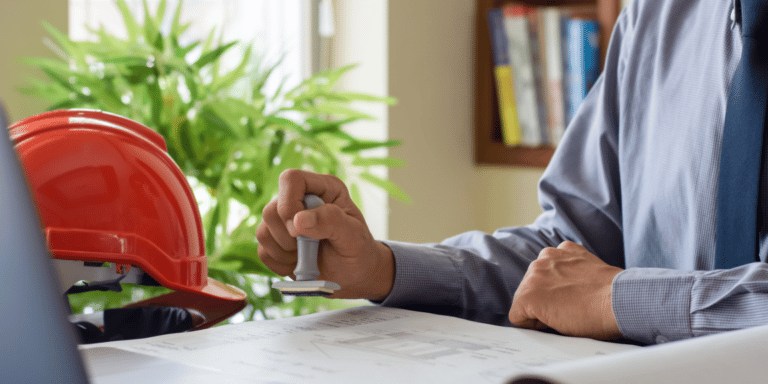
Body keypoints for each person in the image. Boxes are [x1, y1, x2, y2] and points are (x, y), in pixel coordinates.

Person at [257, 0, 768, 345]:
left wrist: (626, 300)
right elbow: (568, 259)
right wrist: (382, 268)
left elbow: (597, 289)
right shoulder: (656, 15)